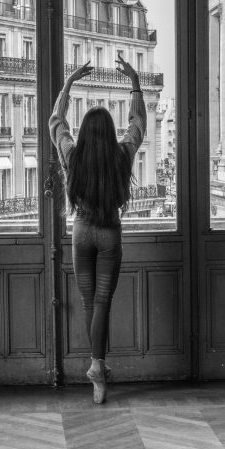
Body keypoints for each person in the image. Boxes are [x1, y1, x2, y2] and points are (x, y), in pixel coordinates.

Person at [49, 55, 146, 403]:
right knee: (103, 302)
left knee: (90, 302)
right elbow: (137, 125)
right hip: (109, 234)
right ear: (108, 134)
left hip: (81, 233)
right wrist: (134, 83)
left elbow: (56, 121)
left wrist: (68, 84)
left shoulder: (73, 156)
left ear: (86, 135)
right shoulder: (121, 156)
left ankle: (97, 372)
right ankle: (97, 369)